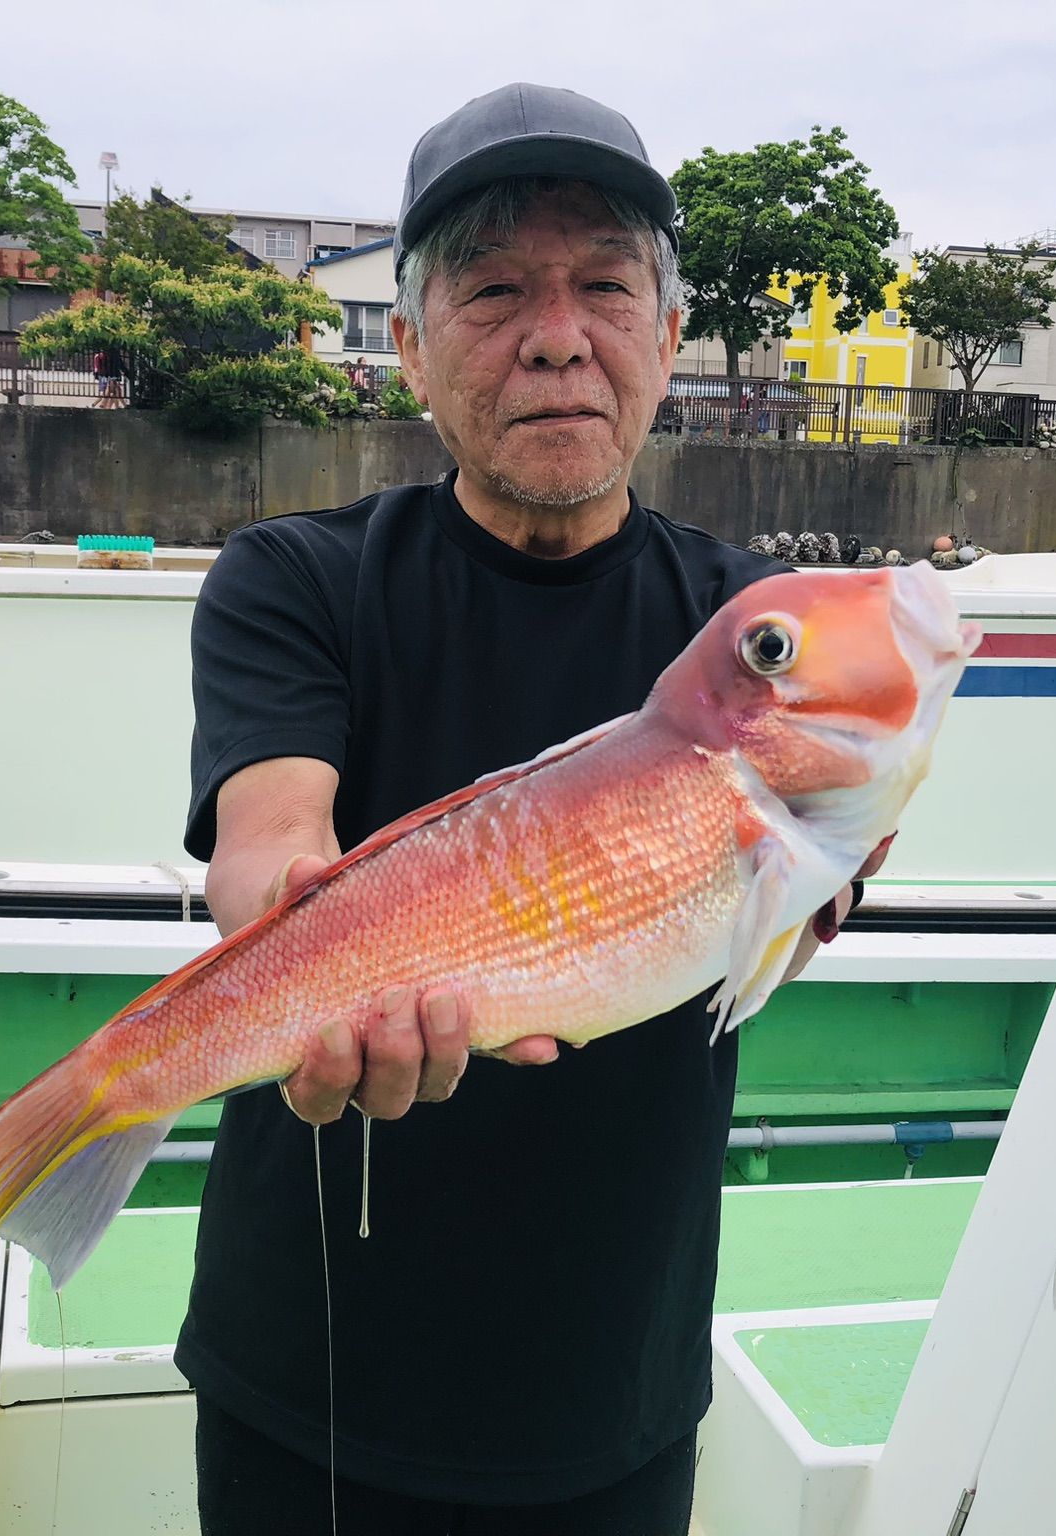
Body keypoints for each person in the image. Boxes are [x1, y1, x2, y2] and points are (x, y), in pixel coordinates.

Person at [180, 82, 889, 1535]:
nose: (557, 336)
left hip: (615, 1382)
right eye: (495, 290)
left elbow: (794, 900)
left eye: (606, 288)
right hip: (306, 1379)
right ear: (408, 347)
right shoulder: (295, 579)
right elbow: (267, 845)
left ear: (670, 334)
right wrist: (303, 951)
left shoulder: (751, 632)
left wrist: (835, 854)